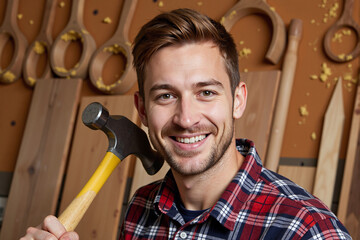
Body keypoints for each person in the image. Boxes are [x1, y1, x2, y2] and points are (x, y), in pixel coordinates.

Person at [21, 8, 351, 240]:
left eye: (206, 92)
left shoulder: (305, 229)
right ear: (142, 110)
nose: (186, 118)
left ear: (238, 100)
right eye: (165, 96)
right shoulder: (142, 209)